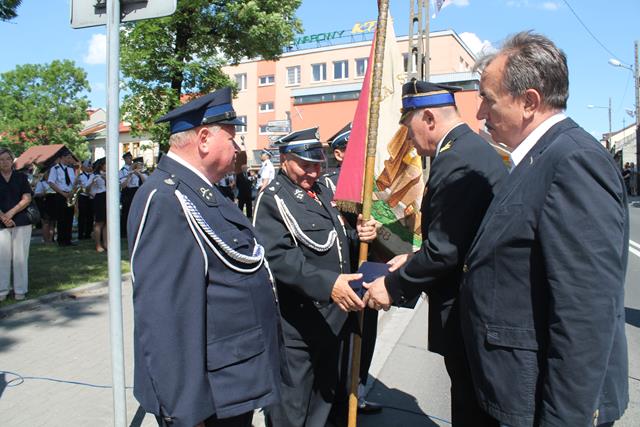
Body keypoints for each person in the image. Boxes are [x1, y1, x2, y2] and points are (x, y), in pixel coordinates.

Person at [460, 31, 629, 426]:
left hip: (546, 404)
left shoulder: (572, 162)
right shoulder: (541, 157)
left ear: (529, 102)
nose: (481, 113)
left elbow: (585, 313)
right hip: (522, 390)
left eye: (488, 99)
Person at [127, 87, 286, 427]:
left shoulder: (200, 192)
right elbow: (164, 314)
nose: (237, 147)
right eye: (231, 138)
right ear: (203, 139)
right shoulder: (166, 199)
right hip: (207, 398)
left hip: (229, 382)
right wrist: (185, 412)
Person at [362, 81, 508, 426]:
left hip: (469, 310)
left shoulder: (456, 158)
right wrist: (412, 258)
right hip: (475, 304)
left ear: (428, 118)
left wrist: (393, 285)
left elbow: (445, 251)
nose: (408, 140)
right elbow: (459, 235)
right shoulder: (468, 149)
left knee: (472, 411)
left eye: (408, 127)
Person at [253, 127, 378, 427]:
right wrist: (329, 284)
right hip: (299, 326)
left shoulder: (324, 192)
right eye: (305, 165)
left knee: (328, 404)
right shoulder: (273, 199)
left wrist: (361, 235)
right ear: (285, 159)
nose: (313, 172)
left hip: (337, 320)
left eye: (317, 165)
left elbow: (338, 242)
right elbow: (279, 258)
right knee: (293, 411)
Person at [322, 122, 383, 414]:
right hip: (345, 271)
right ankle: (340, 401)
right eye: (353, 149)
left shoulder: (372, 182)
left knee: (365, 335)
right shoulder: (330, 184)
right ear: (338, 154)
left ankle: (356, 393)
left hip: (369, 269)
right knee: (343, 340)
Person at [0, 148, 33, 301]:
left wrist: (10, 214)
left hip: (21, 221)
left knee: (20, 257)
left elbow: (27, 198)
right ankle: (2, 290)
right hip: (1, 224)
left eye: (7, 159)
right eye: (1, 159)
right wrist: (3, 217)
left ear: (12, 160)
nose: (5, 162)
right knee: (2, 257)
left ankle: (20, 289)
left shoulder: (21, 177)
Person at [47, 149, 77, 246]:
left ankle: (68, 239)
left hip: (70, 194)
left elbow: (73, 183)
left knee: (69, 217)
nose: (70, 160)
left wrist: (73, 191)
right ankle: (61, 240)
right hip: (60, 194)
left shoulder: (71, 169)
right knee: (61, 218)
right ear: (62, 158)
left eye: (70, 158)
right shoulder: (55, 169)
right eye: (68, 158)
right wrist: (62, 193)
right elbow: (51, 182)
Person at [119, 152, 146, 237]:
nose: (130, 160)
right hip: (128, 192)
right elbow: (123, 185)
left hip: (137, 190)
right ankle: (124, 231)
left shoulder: (140, 171)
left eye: (131, 158)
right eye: (128, 158)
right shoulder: (123, 170)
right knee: (126, 212)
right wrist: (130, 173)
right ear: (125, 159)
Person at [88, 158, 107, 253]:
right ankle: (98, 244)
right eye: (106, 164)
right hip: (99, 197)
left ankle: (106, 244)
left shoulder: (109, 174)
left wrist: (105, 178)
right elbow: (87, 188)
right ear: (101, 165)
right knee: (99, 222)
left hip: (108, 197)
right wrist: (93, 182)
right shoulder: (94, 175)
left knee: (107, 222)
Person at [33, 168, 57, 243]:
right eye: (48, 174)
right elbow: (36, 194)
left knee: (53, 222)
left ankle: (51, 239)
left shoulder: (55, 182)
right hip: (45, 203)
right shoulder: (41, 183)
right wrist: (43, 193)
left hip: (54, 202)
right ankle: (46, 240)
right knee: (46, 222)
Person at [76, 160, 95, 240]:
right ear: (83, 167)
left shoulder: (93, 176)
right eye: (88, 166)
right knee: (82, 216)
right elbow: (80, 187)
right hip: (83, 196)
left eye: (90, 166)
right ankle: (80, 234)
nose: (90, 167)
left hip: (91, 197)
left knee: (90, 216)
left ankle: (88, 233)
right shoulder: (80, 176)